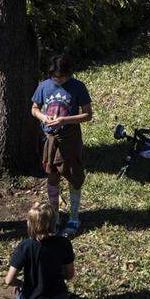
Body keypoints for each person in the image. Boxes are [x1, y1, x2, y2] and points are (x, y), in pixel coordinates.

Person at [31, 54, 93, 237]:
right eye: (55, 77)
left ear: (69, 73)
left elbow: (88, 114)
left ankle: (74, 218)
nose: (59, 80)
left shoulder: (78, 87)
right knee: (52, 175)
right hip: (50, 139)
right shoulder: (44, 86)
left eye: (62, 77)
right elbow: (34, 108)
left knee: (74, 176)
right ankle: (55, 218)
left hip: (70, 138)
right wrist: (43, 117)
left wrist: (64, 120)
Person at [5, 201, 75, 299]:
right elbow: (70, 275)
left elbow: (9, 280)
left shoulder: (24, 246)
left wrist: (21, 284)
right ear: (55, 222)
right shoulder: (64, 243)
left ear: (30, 224)